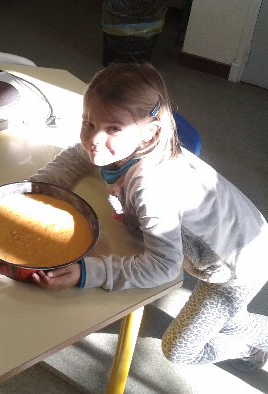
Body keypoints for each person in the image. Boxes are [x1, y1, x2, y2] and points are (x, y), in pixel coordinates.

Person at [28, 62, 268, 371]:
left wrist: (90, 272)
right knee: (227, 320)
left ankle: (249, 350)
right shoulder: (124, 148)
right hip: (233, 234)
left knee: (182, 349)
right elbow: (79, 154)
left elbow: (164, 267)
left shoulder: (151, 187)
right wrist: (37, 189)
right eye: (88, 122)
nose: (94, 139)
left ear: (150, 132)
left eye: (112, 128)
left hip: (238, 267)